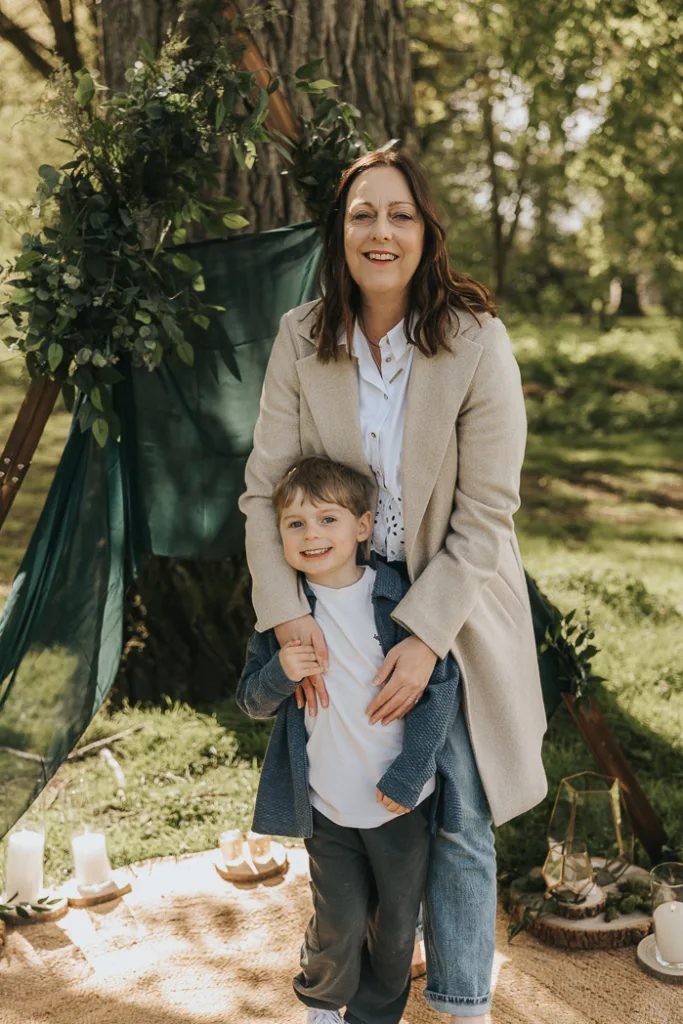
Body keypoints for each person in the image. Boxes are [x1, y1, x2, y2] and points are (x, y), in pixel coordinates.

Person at [239, 149, 548, 1022]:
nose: (380, 232)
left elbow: (487, 511)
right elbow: (265, 489)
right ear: (340, 234)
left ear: (425, 232)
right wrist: (286, 618)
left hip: (454, 596)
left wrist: (424, 636)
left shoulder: (476, 340)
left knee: (457, 807)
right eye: (362, 214)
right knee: (340, 796)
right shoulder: (302, 337)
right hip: (330, 591)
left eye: (400, 215)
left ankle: (458, 1006)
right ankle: (344, 990)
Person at [236, 455, 462, 1024]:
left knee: (393, 931)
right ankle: (320, 1002)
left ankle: (372, 1018)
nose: (312, 535)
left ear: (363, 526)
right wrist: (280, 671)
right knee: (335, 918)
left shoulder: (394, 597)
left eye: (327, 520)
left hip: (398, 803)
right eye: (295, 524)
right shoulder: (283, 615)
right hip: (328, 806)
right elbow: (252, 703)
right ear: (279, 536)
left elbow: (440, 690)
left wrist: (411, 776)